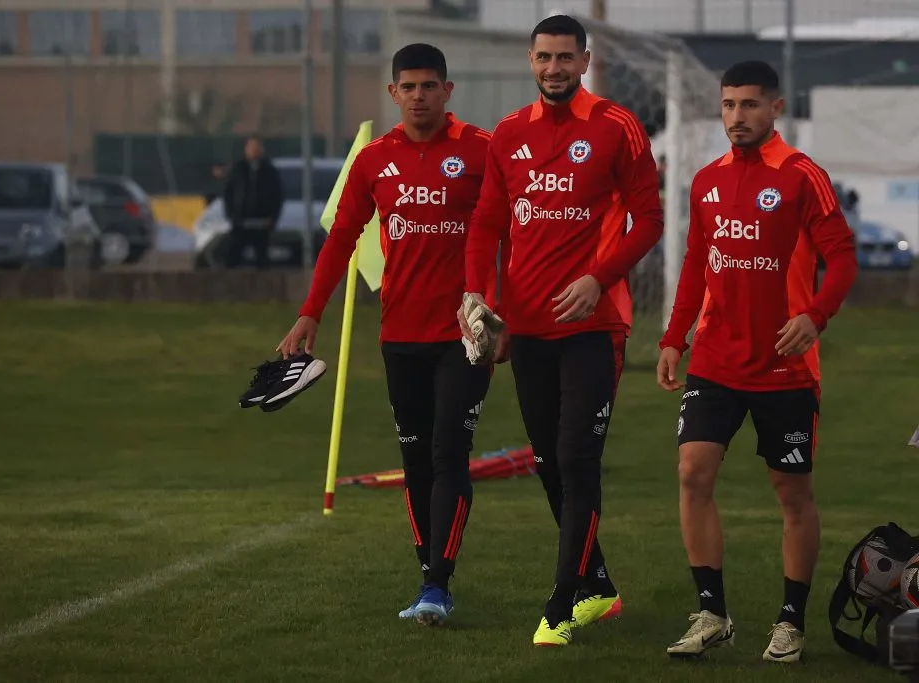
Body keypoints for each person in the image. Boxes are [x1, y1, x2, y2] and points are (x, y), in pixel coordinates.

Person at [276, 43, 503, 626]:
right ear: (393, 93)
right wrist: (311, 311)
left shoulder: (481, 150)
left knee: (449, 451)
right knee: (416, 458)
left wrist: (504, 315)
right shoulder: (374, 160)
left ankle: (436, 583)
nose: (420, 95)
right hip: (399, 335)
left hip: (464, 335)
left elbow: (513, 233)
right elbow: (342, 239)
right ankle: (428, 574)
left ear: (447, 91)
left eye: (430, 85)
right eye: (409, 86)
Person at [460, 14, 664, 647]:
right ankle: (597, 585)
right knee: (550, 462)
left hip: (592, 328)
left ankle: (559, 605)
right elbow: (488, 223)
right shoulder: (510, 134)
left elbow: (648, 221)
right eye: (544, 57)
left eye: (565, 58)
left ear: (584, 61)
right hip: (526, 332)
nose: (554, 68)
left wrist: (598, 278)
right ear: (530, 60)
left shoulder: (615, 127)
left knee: (577, 458)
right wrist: (477, 296)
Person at [657, 60, 858, 662]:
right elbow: (697, 263)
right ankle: (712, 613)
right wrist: (674, 337)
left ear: (775, 107)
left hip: (784, 366)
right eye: (728, 105)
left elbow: (842, 258)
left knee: (791, 492)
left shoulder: (801, 176)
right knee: (693, 472)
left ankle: (790, 620)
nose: (736, 116)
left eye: (749, 104)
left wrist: (814, 316)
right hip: (716, 359)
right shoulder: (707, 180)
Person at [223, 135, 284, 268]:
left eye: (257, 147)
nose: (254, 151)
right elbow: (228, 193)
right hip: (241, 222)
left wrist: (273, 218)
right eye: (252, 147)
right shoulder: (238, 170)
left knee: (262, 261)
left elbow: (277, 196)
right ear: (246, 149)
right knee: (231, 258)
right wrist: (231, 215)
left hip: (262, 223)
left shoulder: (270, 172)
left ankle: (263, 286)